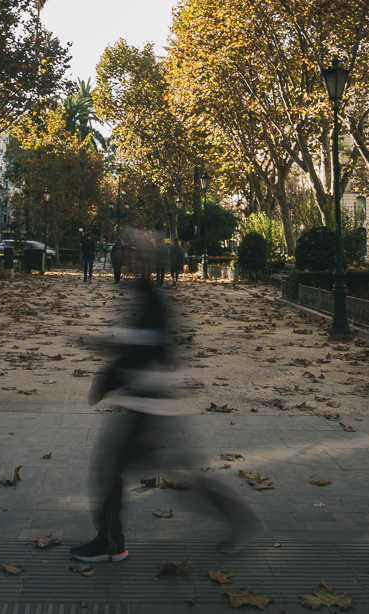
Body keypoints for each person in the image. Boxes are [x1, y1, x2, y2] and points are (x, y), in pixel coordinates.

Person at [72, 233, 257, 563]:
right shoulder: (144, 293)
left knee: (112, 471)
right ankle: (112, 542)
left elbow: (143, 348)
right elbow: (140, 345)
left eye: (130, 253)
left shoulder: (151, 298)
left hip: (148, 405)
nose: (124, 258)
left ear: (144, 260)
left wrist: (104, 368)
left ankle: (111, 543)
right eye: (124, 253)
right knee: (166, 475)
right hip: (149, 403)